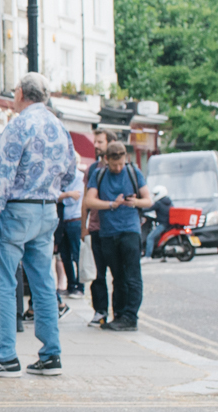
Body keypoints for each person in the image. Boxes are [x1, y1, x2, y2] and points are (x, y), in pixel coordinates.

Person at [0, 72, 71, 378]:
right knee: (43, 284)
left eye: (15, 92)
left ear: (22, 94)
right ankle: (51, 355)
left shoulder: (18, 126)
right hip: (47, 209)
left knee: (3, 283)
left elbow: (1, 179)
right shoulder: (59, 126)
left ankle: (4, 356)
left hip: (17, 210)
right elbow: (69, 172)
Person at [85, 141, 151, 331]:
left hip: (130, 230)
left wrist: (135, 202)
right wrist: (111, 205)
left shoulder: (133, 172)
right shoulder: (99, 175)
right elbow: (89, 200)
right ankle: (119, 316)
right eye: (115, 165)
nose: (118, 168)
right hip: (108, 232)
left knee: (132, 276)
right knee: (117, 277)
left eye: (121, 164)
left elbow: (148, 200)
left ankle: (131, 317)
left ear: (125, 158)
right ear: (107, 160)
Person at [83, 128, 114, 326]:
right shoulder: (93, 169)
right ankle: (100, 311)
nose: (96, 145)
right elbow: (85, 200)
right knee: (97, 273)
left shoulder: (123, 168)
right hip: (96, 227)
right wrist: (83, 226)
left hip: (116, 228)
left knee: (119, 274)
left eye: (100, 142)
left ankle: (119, 313)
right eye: (95, 142)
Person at [57, 151, 86, 297]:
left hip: (75, 219)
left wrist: (64, 196)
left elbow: (73, 199)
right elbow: (55, 196)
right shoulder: (60, 178)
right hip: (62, 220)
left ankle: (80, 287)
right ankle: (71, 285)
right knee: (65, 255)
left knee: (77, 255)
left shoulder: (80, 177)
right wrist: (67, 194)